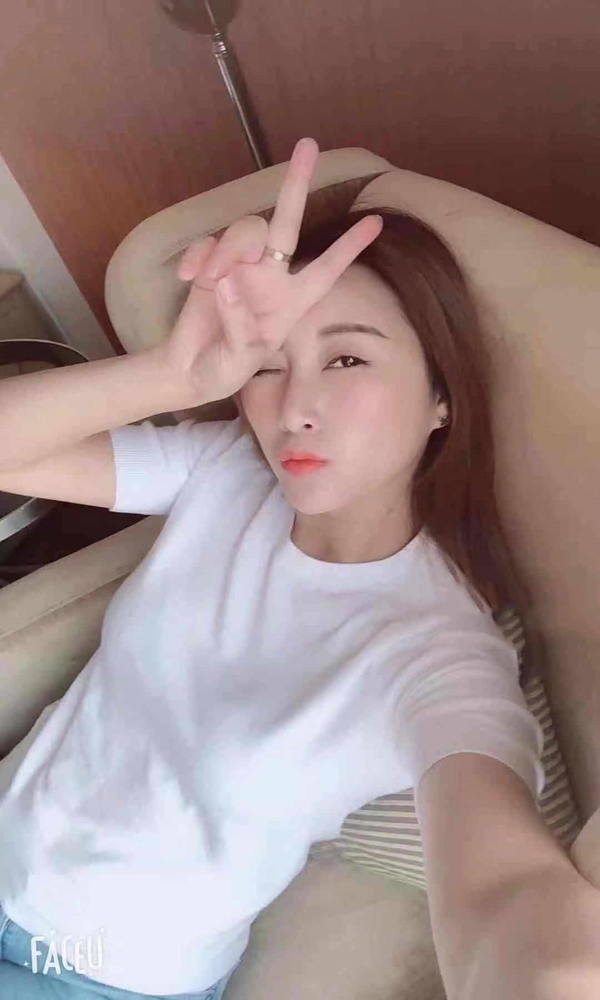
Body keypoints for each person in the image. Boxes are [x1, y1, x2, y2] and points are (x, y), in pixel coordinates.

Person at [0, 135, 580, 999]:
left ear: (441, 397)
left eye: (347, 358)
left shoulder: (437, 653)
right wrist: (169, 376)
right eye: (270, 365)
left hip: (100, 973)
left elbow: (504, 886)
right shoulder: (228, 470)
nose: (295, 407)